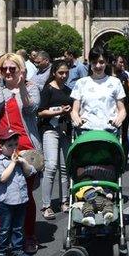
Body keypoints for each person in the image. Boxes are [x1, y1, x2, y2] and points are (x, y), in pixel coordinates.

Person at [0, 52, 42, 255]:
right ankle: (1, 236)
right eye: (4, 69)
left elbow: (31, 108)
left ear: (20, 70)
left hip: (25, 147)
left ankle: (28, 235)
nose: (8, 72)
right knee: (2, 195)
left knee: (25, 195)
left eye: (12, 69)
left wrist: (22, 84)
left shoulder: (31, 87)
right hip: (2, 149)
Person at [0, 132, 37, 256]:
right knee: (4, 228)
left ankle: (17, 251)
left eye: (16, 145)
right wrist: (13, 163)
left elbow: (30, 172)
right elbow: (2, 178)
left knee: (18, 228)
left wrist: (23, 162)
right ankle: (1, 252)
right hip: (5, 202)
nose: (14, 148)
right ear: (0, 147)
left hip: (21, 200)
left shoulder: (20, 160)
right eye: (9, 145)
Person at [37, 59, 73, 219]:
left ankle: (64, 201)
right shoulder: (48, 90)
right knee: (51, 167)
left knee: (65, 167)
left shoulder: (68, 90)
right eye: (61, 73)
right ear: (54, 73)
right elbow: (40, 112)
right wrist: (58, 111)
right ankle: (46, 205)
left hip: (65, 130)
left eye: (66, 73)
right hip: (50, 130)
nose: (64, 76)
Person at [70, 47, 126, 132]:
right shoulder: (81, 83)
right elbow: (74, 111)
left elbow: (122, 110)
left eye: (101, 62)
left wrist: (119, 119)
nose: (98, 66)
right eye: (94, 62)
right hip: (85, 132)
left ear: (106, 62)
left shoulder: (115, 82)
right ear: (89, 62)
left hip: (109, 132)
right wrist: (76, 119)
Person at [113, 54, 129, 150]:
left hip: (124, 108)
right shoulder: (107, 77)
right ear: (113, 63)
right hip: (111, 109)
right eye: (120, 62)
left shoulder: (125, 76)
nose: (122, 64)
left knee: (124, 134)